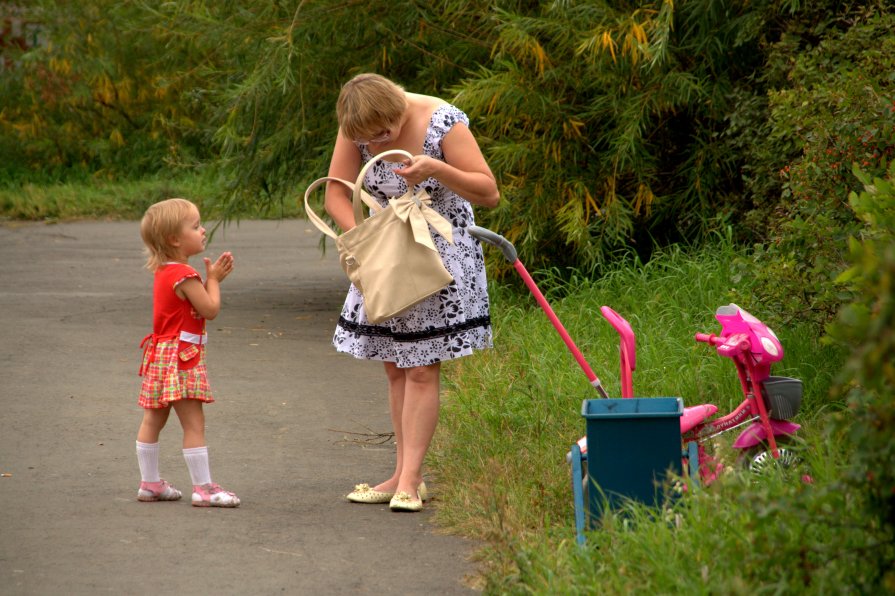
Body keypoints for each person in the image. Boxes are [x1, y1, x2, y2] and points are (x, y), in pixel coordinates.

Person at [325, 73, 500, 512]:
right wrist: (365, 237)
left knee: (422, 368)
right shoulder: (358, 124)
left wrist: (437, 168)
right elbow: (335, 193)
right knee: (396, 368)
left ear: (398, 107)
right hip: (387, 256)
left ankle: (412, 478)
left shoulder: (442, 120)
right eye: (369, 139)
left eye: (386, 133)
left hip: (439, 258)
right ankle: (402, 475)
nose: (378, 143)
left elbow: (489, 191)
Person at [134, 198, 240, 508]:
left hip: (159, 354)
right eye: (195, 226)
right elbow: (210, 309)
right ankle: (203, 488)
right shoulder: (185, 275)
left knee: (153, 418)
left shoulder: (164, 271)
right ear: (174, 239)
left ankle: (150, 483)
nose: (203, 229)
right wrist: (214, 281)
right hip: (183, 357)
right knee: (194, 424)